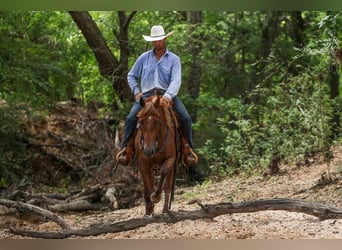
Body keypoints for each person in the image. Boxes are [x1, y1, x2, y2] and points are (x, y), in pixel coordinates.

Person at [116, 25, 198, 167]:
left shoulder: (174, 59)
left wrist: (168, 96)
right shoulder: (144, 58)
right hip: (146, 95)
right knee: (130, 118)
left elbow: (176, 80)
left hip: (167, 95)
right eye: (154, 40)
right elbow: (131, 75)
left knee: (186, 118)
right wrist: (136, 91)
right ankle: (127, 149)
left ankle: (187, 150)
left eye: (159, 40)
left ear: (164, 39)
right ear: (152, 41)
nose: (157, 42)